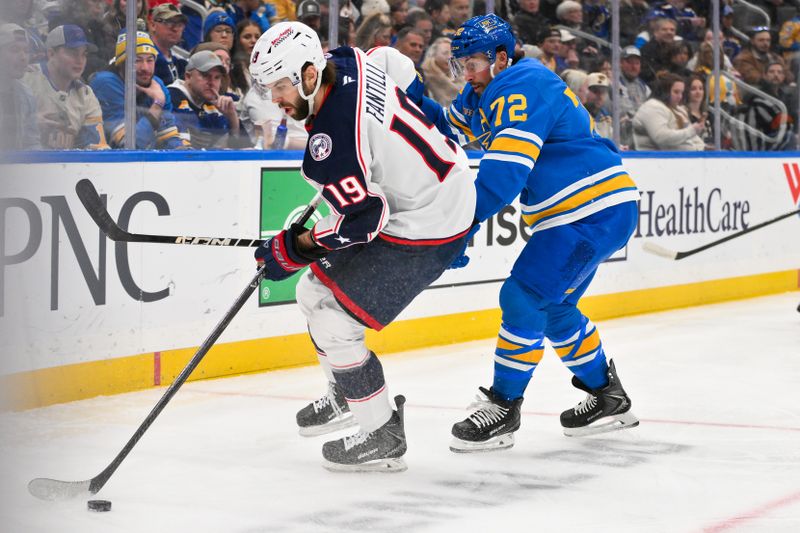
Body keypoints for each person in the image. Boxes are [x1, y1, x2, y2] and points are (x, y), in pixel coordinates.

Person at [248, 21, 476, 470]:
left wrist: (295, 250)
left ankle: (381, 433)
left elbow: (364, 220)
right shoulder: (347, 58)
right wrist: (420, 111)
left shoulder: (331, 148)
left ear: (309, 75)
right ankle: (346, 394)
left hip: (428, 222)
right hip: (431, 183)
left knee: (335, 324)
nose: (274, 99)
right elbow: (390, 61)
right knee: (311, 292)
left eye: (278, 86)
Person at [417, 14, 640, 451]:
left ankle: (504, 406)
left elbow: (505, 175)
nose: (466, 75)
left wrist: (460, 228)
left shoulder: (521, 84)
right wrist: (405, 104)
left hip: (587, 209)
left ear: (501, 57)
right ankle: (608, 396)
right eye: (459, 66)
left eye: (473, 63)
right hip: (594, 209)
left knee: (522, 296)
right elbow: (446, 130)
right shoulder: (486, 89)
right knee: (553, 309)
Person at [90, 30, 187, 149]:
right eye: (137, 60)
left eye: (150, 60)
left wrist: (182, 151)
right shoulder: (106, 84)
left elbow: (169, 137)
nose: (145, 68)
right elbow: (128, 146)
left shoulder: (157, 85)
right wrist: (157, 105)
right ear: (122, 63)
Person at [24, 25, 108, 150]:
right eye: (72, 53)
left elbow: (97, 148)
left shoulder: (85, 94)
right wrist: (26, 124)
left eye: (84, 54)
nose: (80, 60)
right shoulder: (26, 80)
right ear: (51, 54)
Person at [168, 50, 251, 149]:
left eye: (217, 77)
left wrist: (232, 118)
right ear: (188, 76)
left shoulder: (217, 104)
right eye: (205, 76)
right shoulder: (171, 97)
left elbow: (245, 150)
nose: (212, 83)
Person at [632, 71, 705, 151]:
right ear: (664, 91)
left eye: (682, 92)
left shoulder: (679, 110)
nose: (680, 96)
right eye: (676, 92)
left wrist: (703, 148)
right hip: (651, 160)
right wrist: (691, 130)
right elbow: (661, 138)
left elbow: (692, 137)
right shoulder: (652, 107)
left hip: (677, 159)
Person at [0, 23, 41, 151]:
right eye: (14, 50)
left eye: (27, 51)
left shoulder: (26, 94)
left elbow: (31, 143)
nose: (23, 57)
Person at [148, 3, 188, 86]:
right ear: (153, 25)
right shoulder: (144, 58)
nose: (175, 29)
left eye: (180, 25)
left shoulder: (181, 62)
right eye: (169, 22)